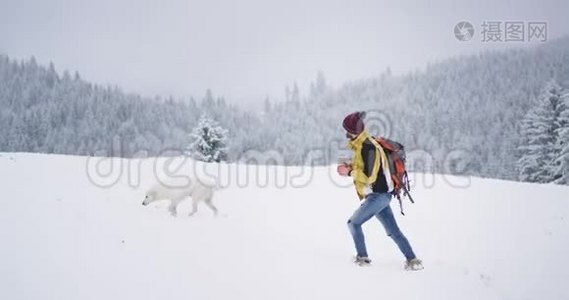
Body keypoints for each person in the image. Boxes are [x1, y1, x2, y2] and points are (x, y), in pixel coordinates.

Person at [337, 111, 423, 270]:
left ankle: (362, 259)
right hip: (381, 196)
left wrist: (348, 172)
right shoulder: (364, 144)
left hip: (378, 196)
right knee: (393, 231)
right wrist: (351, 167)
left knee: (353, 223)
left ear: (353, 131)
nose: (345, 134)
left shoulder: (368, 147)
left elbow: (369, 177)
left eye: (346, 130)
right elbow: (369, 170)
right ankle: (413, 261)